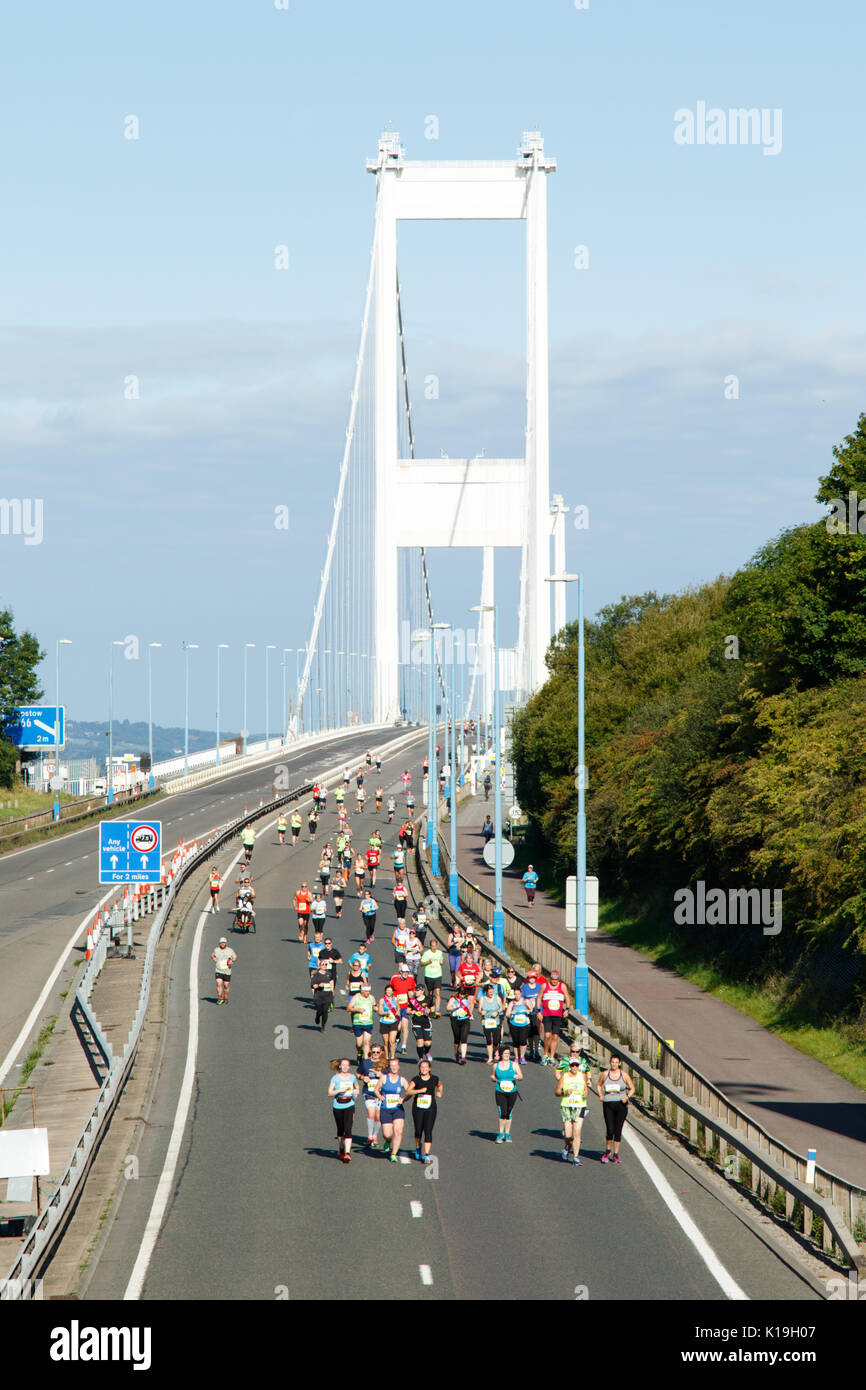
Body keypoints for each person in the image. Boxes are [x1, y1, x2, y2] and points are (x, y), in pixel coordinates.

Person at [597, 1055, 635, 1163]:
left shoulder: (624, 1075)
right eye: (612, 1062)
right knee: (610, 1129)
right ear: (610, 1063)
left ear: (619, 1063)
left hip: (621, 1105)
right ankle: (607, 1151)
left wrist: (627, 1097)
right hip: (608, 1104)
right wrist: (600, 1095)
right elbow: (599, 1085)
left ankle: (616, 1154)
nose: (614, 1064)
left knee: (618, 1130)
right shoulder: (605, 1074)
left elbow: (632, 1088)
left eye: (616, 1062)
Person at [404, 1058, 443, 1162]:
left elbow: (440, 1085)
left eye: (426, 1067)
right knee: (418, 1130)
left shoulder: (434, 1078)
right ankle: (418, 1147)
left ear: (429, 1068)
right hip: (418, 1108)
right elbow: (408, 1091)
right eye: (422, 1067)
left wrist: (439, 1092)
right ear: (419, 1069)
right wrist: (420, 1090)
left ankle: (426, 1154)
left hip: (431, 1108)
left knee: (428, 1130)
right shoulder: (416, 1079)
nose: (424, 1069)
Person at [556, 1052, 590, 1165]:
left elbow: (586, 1090)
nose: (575, 1067)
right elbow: (556, 1092)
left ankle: (576, 1157)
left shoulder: (582, 1076)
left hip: (580, 1106)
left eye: (576, 1065)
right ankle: (567, 1146)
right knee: (568, 1134)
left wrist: (585, 1092)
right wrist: (564, 1092)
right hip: (567, 1106)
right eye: (572, 1065)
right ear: (569, 1066)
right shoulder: (564, 1076)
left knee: (577, 1132)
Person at [375, 1058, 409, 1161]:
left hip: (397, 1109)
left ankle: (393, 1154)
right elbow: (376, 1090)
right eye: (392, 1066)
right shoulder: (384, 1078)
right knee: (387, 1134)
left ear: (398, 1067)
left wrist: (404, 1099)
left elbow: (409, 1091)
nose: (394, 1067)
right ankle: (387, 1141)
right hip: (385, 1109)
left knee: (398, 1131)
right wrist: (380, 1097)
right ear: (389, 1067)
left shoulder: (402, 1080)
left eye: (395, 1065)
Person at [328, 1059, 358, 1164]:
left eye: (347, 1065)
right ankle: (341, 1147)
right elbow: (329, 1092)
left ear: (349, 1067)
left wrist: (356, 1092)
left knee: (348, 1129)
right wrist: (339, 1090)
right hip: (338, 1105)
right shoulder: (335, 1078)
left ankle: (347, 1153)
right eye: (343, 1065)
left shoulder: (352, 1077)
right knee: (340, 1130)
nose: (345, 1067)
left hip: (349, 1105)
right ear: (340, 1066)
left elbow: (356, 1087)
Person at [491, 1046, 522, 1142]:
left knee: (509, 1112)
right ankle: (500, 1133)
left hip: (512, 1092)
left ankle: (507, 1133)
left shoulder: (514, 1065)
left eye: (508, 1053)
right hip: (500, 1092)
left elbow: (521, 1076)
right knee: (502, 1112)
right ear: (501, 1054)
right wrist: (493, 1078)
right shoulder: (496, 1066)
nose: (507, 1055)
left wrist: (517, 1076)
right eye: (505, 1053)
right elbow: (493, 1075)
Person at [357, 1044, 385, 1148]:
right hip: (368, 1092)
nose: (375, 1054)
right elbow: (358, 1073)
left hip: (380, 1094)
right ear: (370, 1052)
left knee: (378, 1117)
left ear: (381, 1052)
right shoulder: (365, 1062)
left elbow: (390, 1077)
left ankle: (375, 1136)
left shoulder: (384, 1063)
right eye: (373, 1052)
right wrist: (363, 1077)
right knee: (371, 1114)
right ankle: (370, 1136)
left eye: (378, 1052)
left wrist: (380, 1075)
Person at [540, 970, 570, 1065]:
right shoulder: (545, 985)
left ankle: (552, 1057)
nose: (554, 981)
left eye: (556, 980)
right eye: (553, 980)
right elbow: (539, 997)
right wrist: (538, 1011)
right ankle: (545, 1054)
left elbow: (567, 998)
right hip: (547, 1014)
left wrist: (567, 1009)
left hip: (557, 1015)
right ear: (550, 979)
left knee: (555, 1036)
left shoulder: (562, 986)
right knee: (547, 1035)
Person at [389, 962, 414, 1054]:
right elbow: (390, 990)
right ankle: (397, 1039)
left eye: (407, 972)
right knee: (398, 1028)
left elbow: (413, 990)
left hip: (405, 1006)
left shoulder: (410, 979)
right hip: (396, 1007)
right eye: (404, 972)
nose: (405, 974)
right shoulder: (394, 978)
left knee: (405, 1026)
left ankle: (404, 1046)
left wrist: (412, 994)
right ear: (400, 971)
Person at [520, 966, 544, 1061]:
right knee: (529, 1032)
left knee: (536, 1031)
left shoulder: (539, 986)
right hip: (528, 1012)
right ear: (528, 978)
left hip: (537, 1012)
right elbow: (522, 999)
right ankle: (531, 1050)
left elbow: (542, 997)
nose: (532, 979)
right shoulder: (524, 987)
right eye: (530, 978)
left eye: (533, 977)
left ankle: (537, 1051)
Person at [347, 981, 376, 1060]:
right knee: (359, 1044)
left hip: (368, 1023)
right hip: (358, 1023)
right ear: (361, 991)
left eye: (369, 991)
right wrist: (357, 1010)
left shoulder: (371, 997)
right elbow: (348, 1008)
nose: (368, 993)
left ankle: (366, 1060)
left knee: (367, 1042)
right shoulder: (356, 997)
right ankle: (359, 1052)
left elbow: (374, 1007)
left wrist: (377, 1009)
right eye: (366, 991)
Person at [478, 983, 505, 1064]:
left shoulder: (497, 998)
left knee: (496, 1040)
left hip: (495, 1021)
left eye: (492, 991)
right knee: (489, 1040)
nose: (491, 993)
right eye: (490, 992)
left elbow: (502, 1008)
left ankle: (496, 1051)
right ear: (486, 992)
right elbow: (479, 1009)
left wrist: (497, 1011)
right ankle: (490, 1057)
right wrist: (481, 1012)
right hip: (486, 1021)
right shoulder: (482, 999)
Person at [447, 985, 474, 1064]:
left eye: (463, 993)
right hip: (455, 1020)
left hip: (465, 1020)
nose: (462, 995)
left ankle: (463, 1057)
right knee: (457, 1039)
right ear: (458, 993)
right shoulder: (453, 999)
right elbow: (447, 1008)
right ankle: (456, 1052)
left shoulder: (467, 999)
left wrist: (470, 1013)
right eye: (461, 993)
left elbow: (470, 1006)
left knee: (464, 1039)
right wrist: (455, 1007)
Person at [505, 989, 533, 1065]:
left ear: (521, 993)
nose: (517, 996)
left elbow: (531, 1009)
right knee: (516, 1041)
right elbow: (507, 1014)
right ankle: (517, 1057)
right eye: (515, 994)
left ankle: (522, 1056)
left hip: (524, 1024)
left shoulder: (525, 1001)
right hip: (514, 1024)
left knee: (523, 1040)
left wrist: (528, 1011)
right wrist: (511, 1013)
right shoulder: (512, 1003)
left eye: (518, 994)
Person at [407, 985, 433, 1062]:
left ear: (422, 991)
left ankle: (427, 1052)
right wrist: (412, 1011)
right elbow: (407, 1011)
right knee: (420, 1041)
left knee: (427, 1043)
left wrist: (430, 1011)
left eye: (418, 990)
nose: (416, 992)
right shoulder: (412, 1001)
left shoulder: (428, 1000)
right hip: (416, 1023)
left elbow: (433, 1009)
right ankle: (420, 1058)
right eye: (415, 990)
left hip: (426, 1022)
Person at [420, 939, 444, 1016]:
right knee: (430, 993)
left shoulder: (440, 953)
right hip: (429, 975)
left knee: (437, 992)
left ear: (437, 946)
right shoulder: (426, 953)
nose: (434, 948)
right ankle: (430, 1007)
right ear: (430, 946)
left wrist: (441, 962)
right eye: (432, 946)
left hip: (437, 975)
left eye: (435, 946)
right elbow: (421, 963)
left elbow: (441, 960)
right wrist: (428, 962)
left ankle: (437, 1010)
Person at [377, 985, 400, 1061]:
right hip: (384, 1022)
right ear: (385, 991)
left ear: (393, 991)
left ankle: (392, 1057)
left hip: (393, 1022)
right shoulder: (382, 1000)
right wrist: (386, 1013)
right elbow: (379, 1012)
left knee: (392, 1041)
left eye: (390, 990)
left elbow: (398, 1008)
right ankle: (387, 1057)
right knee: (386, 1042)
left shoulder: (395, 999)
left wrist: (398, 1012)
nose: (389, 992)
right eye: (388, 990)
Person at [211, 937, 237, 1004]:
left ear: (226, 943)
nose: (223, 944)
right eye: (221, 942)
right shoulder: (216, 950)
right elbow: (212, 955)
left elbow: (235, 957)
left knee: (226, 985)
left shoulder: (230, 950)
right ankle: (219, 998)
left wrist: (232, 960)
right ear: (219, 943)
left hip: (227, 971)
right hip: (219, 970)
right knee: (219, 983)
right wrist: (214, 958)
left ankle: (225, 997)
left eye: (224, 942)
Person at [311, 960, 335, 1030]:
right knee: (320, 1010)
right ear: (319, 966)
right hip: (318, 996)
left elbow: (332, 983)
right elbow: (313, 986)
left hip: (328, 996)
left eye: (325, 964)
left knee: (325, 1011)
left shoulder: (329, 974)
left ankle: (323, 1026)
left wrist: (332, 992)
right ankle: (318, 1015)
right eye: (323, 964)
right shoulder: (316, 975)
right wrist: (319, 985)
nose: (324, 966)